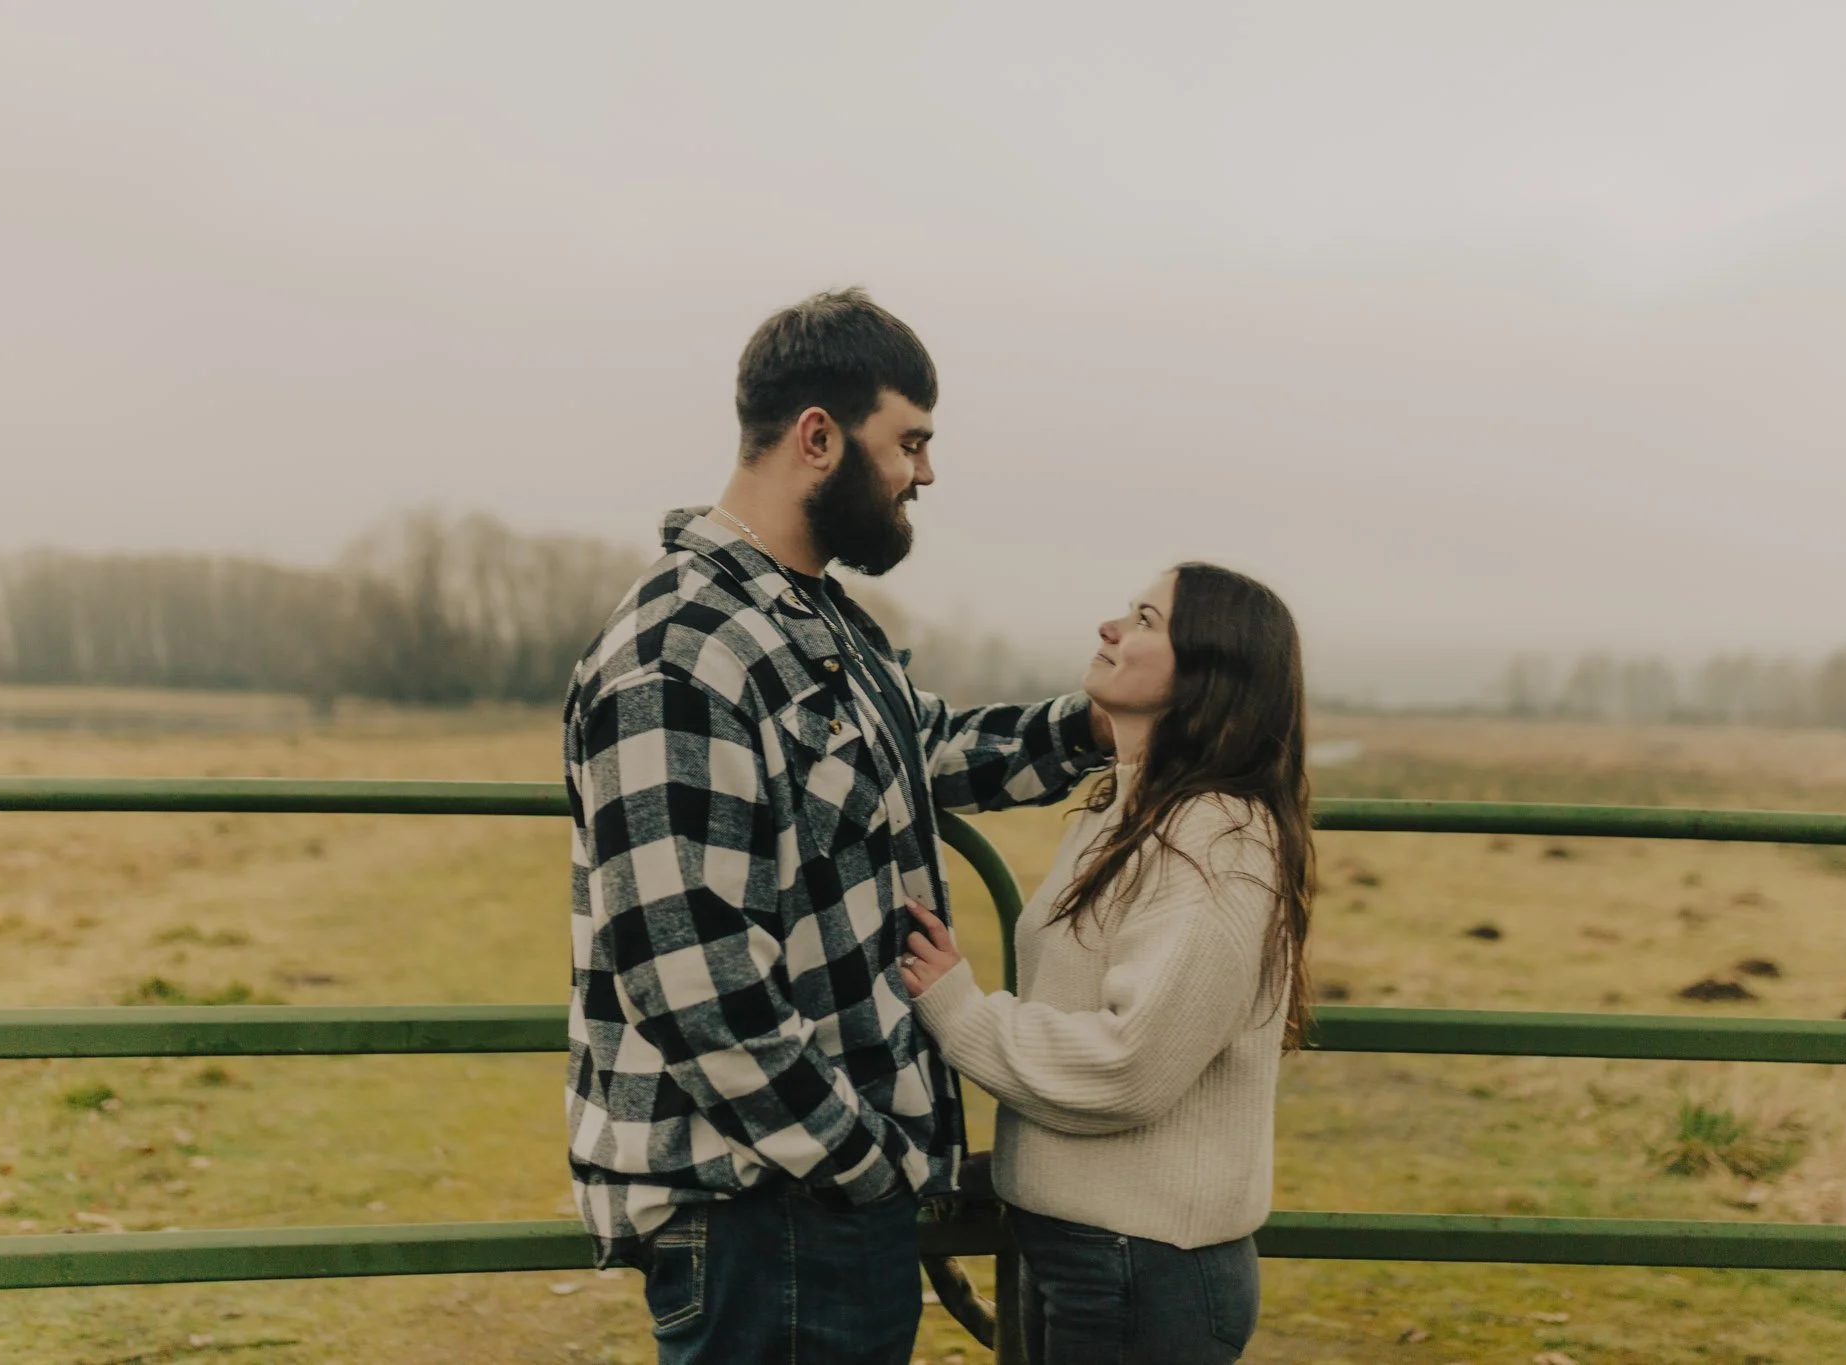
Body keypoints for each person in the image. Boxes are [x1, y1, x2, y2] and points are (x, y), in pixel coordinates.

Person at [561, 287, 1113, 1365]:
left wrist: (1094, 725)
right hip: (763, 1204)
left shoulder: (813, 622)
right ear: (817, 437)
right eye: (909, 441)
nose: (925, 473)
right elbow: (689, 974)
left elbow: (923, 750)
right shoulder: (680, 650)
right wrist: (856, 1159)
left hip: (817, 1204)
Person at [901, 562, 1314, 1365]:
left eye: (1147, 619)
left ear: (1207, 671)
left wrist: (961, 1011)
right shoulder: (1126, 810)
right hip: (1084, 1247)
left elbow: (1131, 1066)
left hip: (1143, 1263)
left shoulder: (1218, 838)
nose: (1112, 628)